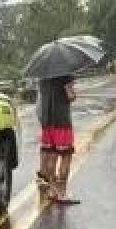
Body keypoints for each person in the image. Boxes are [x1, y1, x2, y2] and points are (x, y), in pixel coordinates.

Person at [37, 74, 80, 204]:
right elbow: (70, 96)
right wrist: (73, 92)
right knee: (66, 157)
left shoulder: (43, 77)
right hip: (62, 122)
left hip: (47, 121)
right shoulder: (65, 74)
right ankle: (62, 193)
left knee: (51, 155)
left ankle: (52, 190)